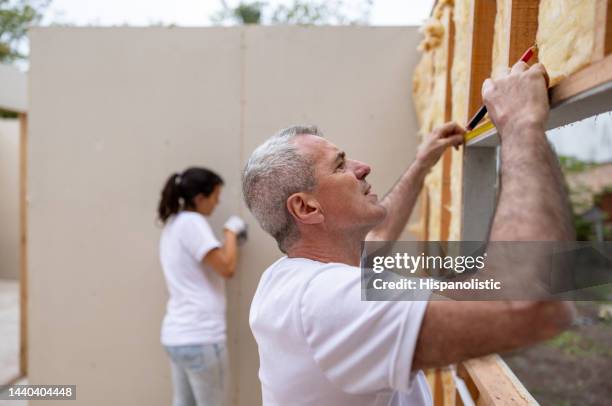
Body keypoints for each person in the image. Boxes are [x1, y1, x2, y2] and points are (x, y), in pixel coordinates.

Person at [242, 61, 575, 405]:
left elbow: (379, 236)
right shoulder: (325, 302)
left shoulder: (292, 277)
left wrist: (422, 162)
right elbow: (529, 306)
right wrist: (520, 123)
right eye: (340, 165)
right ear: (307, 208)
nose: (362, 168)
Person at [157, 167, 247, 406]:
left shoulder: (173, 224)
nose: (217, 203)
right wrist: (230, 232)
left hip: (176, 336)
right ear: (199, 198)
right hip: (201, 336)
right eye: (215, 196)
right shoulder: (192, 223)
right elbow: (226, 267)